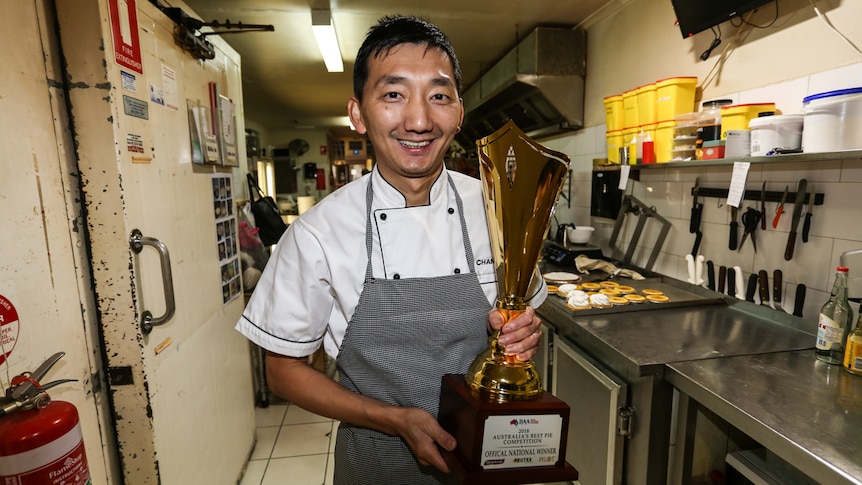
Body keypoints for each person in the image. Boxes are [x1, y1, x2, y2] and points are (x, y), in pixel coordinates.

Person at [236, 15, 547, 484]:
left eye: (439, 96)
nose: (419, 120)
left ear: (459, 113)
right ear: (358, 113)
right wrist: (394, 419)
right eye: (393, 94)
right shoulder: (319, 233)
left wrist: (521, 333)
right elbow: (282, 372)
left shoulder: (499, 207)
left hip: (490, 458)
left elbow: (521, 310)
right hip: (375, 461)